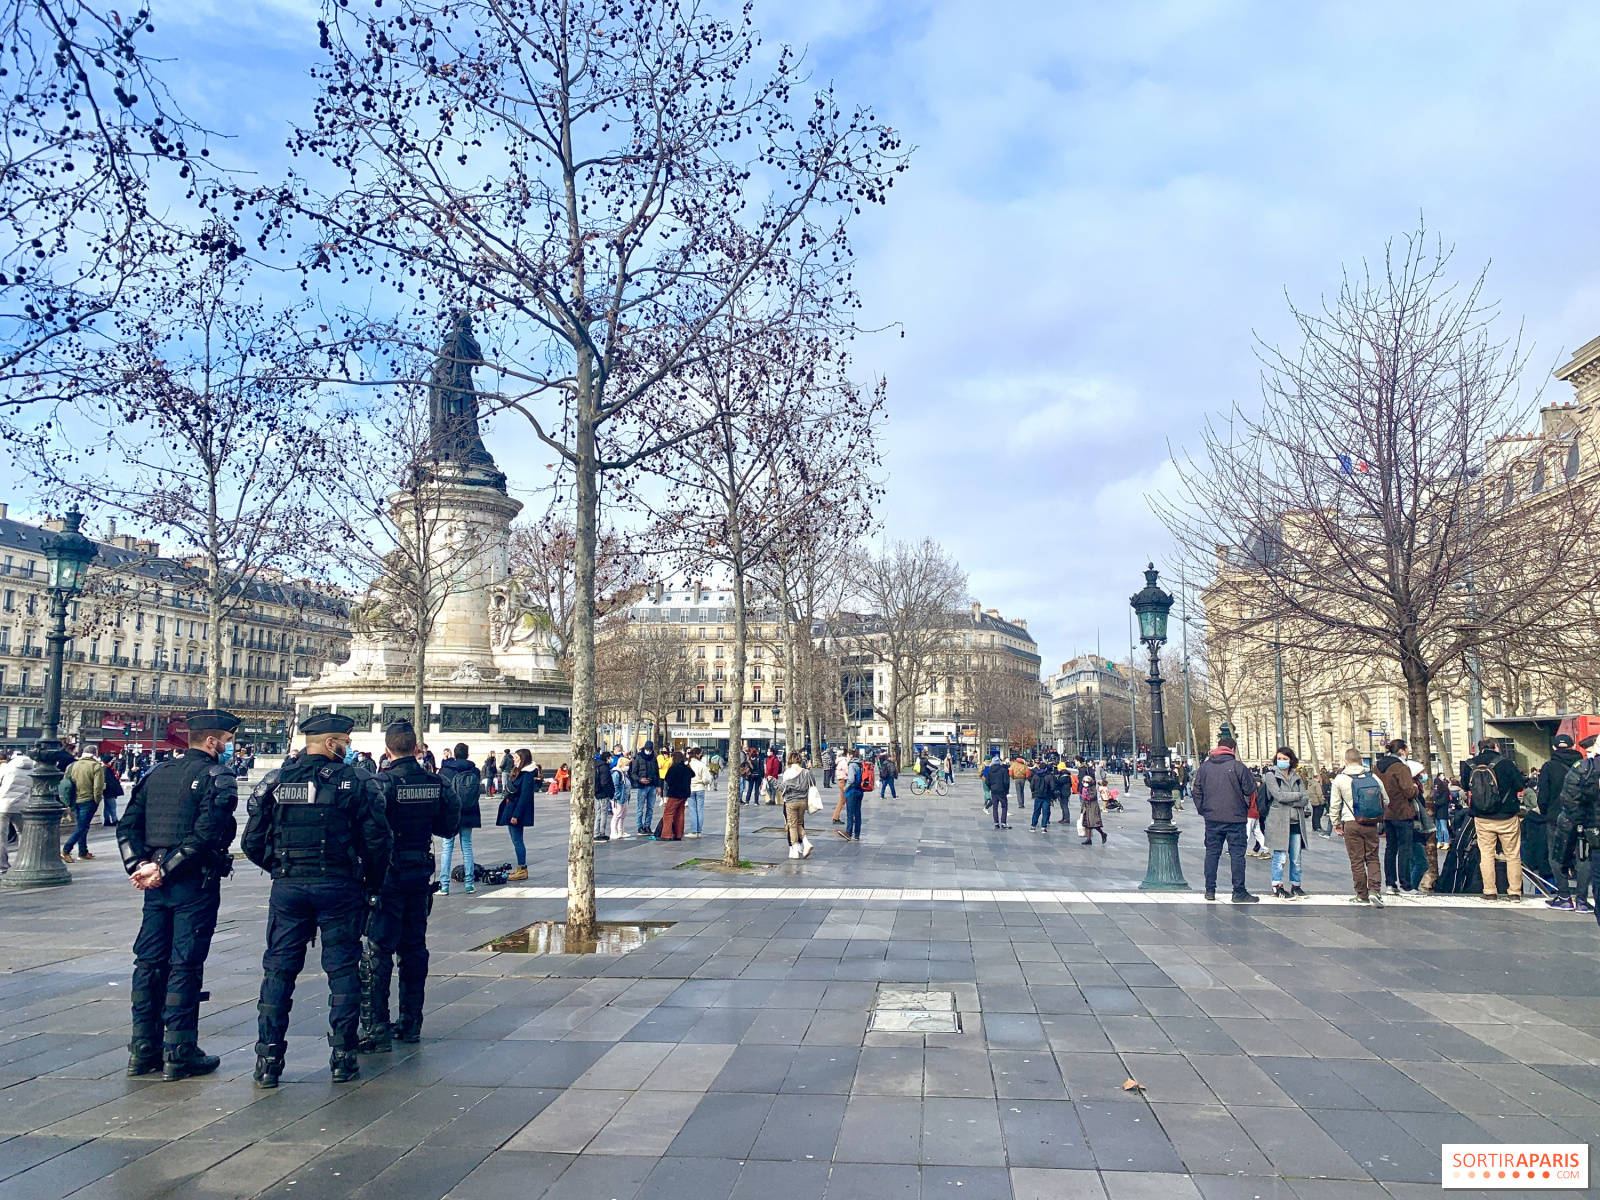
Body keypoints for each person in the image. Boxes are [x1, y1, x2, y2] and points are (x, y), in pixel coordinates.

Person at [243, 712, 390, 1087]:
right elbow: (377, 840)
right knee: (342, 970)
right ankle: (343, 1056)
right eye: (345, 741)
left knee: (278, 971)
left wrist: (280, 866)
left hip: (289, 887)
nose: (349, 748)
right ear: (331, 744)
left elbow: (251, 841)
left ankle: (268, 1061)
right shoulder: (356, 780)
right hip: (339, 886)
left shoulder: (276, 781)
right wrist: (370, 884)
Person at [117, 709, 242, 1081]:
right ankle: (179, 1050)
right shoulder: (217, 778)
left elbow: (127, 827)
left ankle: (143, 1048)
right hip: (193, 883)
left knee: (149, 963)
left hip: (154, 885)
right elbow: (205, 837)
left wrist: (140, 868)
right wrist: (165, 869)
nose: (230, 748)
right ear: (211, 742)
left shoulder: (156, 774)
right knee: (185, 964)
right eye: (228, 741)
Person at [359, 723, 460, 1054]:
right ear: (417, 748)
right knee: (414, 947)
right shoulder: (436, 783)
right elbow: (448, 827)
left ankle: (376, 1026)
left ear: (387, 751)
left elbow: (368, 831)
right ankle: (411, 1022)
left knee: (379, 949)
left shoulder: (380, 784)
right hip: (419, 872)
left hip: (387, 875)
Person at [1191, 736, 1257, 903]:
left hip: (1212, 818)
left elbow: (1196, 790)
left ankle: (1210, 890)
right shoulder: (1238, 767)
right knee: (1237, 855)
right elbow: (1250, 789)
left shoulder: (1204, 767)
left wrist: (1203, 810)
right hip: (1235, 818)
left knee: (1212, 853)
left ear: (1218, 747)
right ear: (1233, 749)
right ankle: (1238, 891)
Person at [1465, 737, 1527, 902]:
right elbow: (1520, 785)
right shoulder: (1506, 763)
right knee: (1512, 855)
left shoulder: (1469, 764)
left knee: (1486, 854)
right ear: (1496, 747)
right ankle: (1514, 892)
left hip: (1482, 817)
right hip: (1507, 816)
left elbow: (1466, 786)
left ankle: (1490, 891)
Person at [1331, 746, 1385, 905]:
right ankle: (1375, 890)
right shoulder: (1373, 777)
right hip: (1371, 823)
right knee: (1373, 857)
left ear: (1345, 762)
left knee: (1356, 860)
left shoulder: (1340, 779)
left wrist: (1336, 822)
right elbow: (1385, 799)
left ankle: (1362, 895)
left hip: (1351, 823)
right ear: (1361, 760)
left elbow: (1334, 804)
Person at [1371, 738, 1420, 896]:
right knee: (1405, 849)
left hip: (1387, 812)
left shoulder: (1378, 766)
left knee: (1390, 848)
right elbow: (1408, 791)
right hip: (1403, 812)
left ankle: (1390, 883)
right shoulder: (1401, 767)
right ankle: (1406, 884)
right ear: (1401, 751)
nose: (1407, 752)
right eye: (1406, 749)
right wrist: (1415, 787)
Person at [1261, 747, 1310, 899]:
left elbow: (1306, 798)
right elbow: (1279, 795)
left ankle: (1296, 885)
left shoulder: (1297, 776)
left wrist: (1294, 799)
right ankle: (1277, 885)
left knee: (1296, 858)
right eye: (1279, 759)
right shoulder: (1271, 776)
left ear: (1291, 760)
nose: (1282, 762)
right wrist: (1297, 796)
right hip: (1278, 822)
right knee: (1280, 857)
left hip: (1295, 822)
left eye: (1285, 759)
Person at [1541, 734, 1582, 906]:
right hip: (1581, 816)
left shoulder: (1549, 766)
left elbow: (1543, 796)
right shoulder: (1584, 766)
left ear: (1554, 748)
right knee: (1582, 856)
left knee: (1555, 855)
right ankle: (1582, 898)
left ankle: (1564, 896)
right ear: (1573, 747)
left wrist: (1546, 812)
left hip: (1555, 817)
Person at [438, 743, 483, 894]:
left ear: (454, 755)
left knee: (447, 847)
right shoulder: (475, 770)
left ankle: (444, 885)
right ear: (467, 754)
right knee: (467, 846)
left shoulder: (446, 770)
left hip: (451, 813)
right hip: (469, 812)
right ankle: (469, 883)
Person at [62, 745, 106, 862]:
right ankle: (66, 849)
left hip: (74, 800)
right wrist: (97, 800)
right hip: (88, 800)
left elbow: (66, 784)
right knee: (82, 827)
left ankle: (83, 851)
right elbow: (98, 787)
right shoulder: (96, 766)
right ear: (95, 753)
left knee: (82, 825)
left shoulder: (72, 766)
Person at [501, 749, 539, 880]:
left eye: (516, 757)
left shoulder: (527, 774)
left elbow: (524, 796)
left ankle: (522, 868)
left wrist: (516, 814)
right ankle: (520, 868)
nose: (514, 759)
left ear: (522, 759)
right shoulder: (519, 771)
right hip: (511, 807)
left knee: (518, 840)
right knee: (515, 840)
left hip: (516, 810)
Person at [778, 751, 818, 859]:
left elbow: (783, 787)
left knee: (792, 825)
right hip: (803, 802)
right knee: (799, 823)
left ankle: (794, 849)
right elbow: (813, 783)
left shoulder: (788, 773)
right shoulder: (806, 772)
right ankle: (806, 842)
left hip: (790, 801)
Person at [0, 748, 31, 873]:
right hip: (23, 807)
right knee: (24, 835)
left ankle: (2, 865)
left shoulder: (6, 768)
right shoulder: (33, 770)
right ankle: (23, 862)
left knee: (1, 837)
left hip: (4, 806)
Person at [658, 749, 693, 840]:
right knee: (680, 813)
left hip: (675, 793)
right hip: (685, 793)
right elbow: (693, 774)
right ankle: (678, 834)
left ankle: (666, 834)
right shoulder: (686, 768)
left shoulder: (673, 768)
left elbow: (668, 779)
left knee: (668, 813)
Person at [630, 742, 661, 832]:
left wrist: (658, 786)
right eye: (647, 749)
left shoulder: (654, 758)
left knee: (650, 808)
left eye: (650, 750)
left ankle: (647, 825)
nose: (648, 751)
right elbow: (633, 773)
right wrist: (640, 780)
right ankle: (640, 826)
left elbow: (657, 773)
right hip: (642, 786)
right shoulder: (639, 757)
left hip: (652, 786)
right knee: (640, 807)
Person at [839, 749, 865, 840]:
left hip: (852, 791)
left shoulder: (852, 765)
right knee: (858, 813)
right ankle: (857, 834)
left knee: (850, 813)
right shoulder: (861, 764)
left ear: (850, 755)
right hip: (860, 791)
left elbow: (851, 779)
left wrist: (845, 788)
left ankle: (849, 832)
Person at [983, 754, 1012, 829]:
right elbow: (1006, 782)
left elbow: (987, 782)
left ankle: (996, 823)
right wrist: (1006, 790)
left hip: (994, 791)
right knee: (1004, 807)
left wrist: (991, 787)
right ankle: (1003, 823)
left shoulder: (990, 771)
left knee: (995, 807)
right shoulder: (1003, 770)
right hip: (1002, 791)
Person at [1079, 764, 1105, 844]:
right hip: (1087, 807)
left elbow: (1092, 796)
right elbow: (1084, 799)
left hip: (1093, 807)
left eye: (1087, 782)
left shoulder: (1092, 788)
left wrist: (1086, 795)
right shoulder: (1084, 788)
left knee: (1094, 824)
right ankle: (1089, 839)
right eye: (1084, 782)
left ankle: (1103, 834)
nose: (1085, 783)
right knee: (1087, 824)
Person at [593, 746, 614, 842]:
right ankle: (600, 832)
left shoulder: (596, 766)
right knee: (603, 813)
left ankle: (596, 832)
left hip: (596, 792)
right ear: (607, 758)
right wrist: (610, 792)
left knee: (598, 812)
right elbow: (605, 782)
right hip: (603, 793)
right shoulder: (604, 768)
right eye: (610, 757)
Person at [688, 748, 711, 838]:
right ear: (697, 754)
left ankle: (694, 831)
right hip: (700, 788)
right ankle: (699, 831)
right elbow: (706, 779)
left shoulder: (687, 764)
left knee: (692, 810)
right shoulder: (702, 765)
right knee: (700, 810)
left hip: (690, 788)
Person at [610, 750, 631, 840]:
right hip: (618, 798)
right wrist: (617, 796)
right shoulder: (617, 773)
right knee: (617, 815)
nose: (627, 767)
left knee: (622, 815)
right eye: (626, 765)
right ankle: (613, 832)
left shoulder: (624, 774)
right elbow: (615, 785)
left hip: (625, 796)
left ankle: (621, 830)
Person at [1029, 759, 1055, 832]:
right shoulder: (1049, 776)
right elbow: (1052, 787)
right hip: (1046, 796)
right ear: (1046, 768)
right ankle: (1043, 827)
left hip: (1038, 796)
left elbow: (1031, 786)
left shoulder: (1035, 776)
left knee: (1036, 811)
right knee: (1045, 812)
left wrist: (1034, 792)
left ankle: (1033, 826)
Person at [101, 755, 124, 827]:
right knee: (112, 805)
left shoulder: (106, 769)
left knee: (107, 806)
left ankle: (107, 820)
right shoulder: (107, 770)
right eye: (112, 761)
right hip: (109, 791)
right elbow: (109, 781)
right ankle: (115, 820)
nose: (113, 763)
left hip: (108, 791)